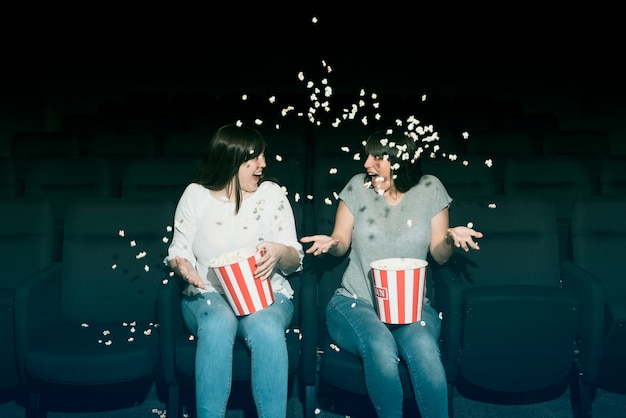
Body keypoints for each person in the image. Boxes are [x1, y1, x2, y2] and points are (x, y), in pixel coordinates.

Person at [300, 128, 483, 418]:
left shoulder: (430, 189)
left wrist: (449, 238)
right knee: (379, 345)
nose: (366, 164)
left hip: (411, 307)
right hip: (355, 302)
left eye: (377, 158)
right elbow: (341, 240)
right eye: (367, 157)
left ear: (400, 161)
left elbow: (438, 252)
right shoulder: (357, 187)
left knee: (424, 350)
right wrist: (332, 243)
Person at [165, 124, 304, 418]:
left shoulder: (272, 194)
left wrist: (280, 251)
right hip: (208, 293)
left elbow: (295, 261)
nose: (263, 164)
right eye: (254, 158)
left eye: (263, 156)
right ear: (231, 159)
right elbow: (179, 251)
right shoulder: (196, 195)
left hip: (266, 292)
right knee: (218, 323)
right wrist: (183, 266)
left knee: (266, 327)